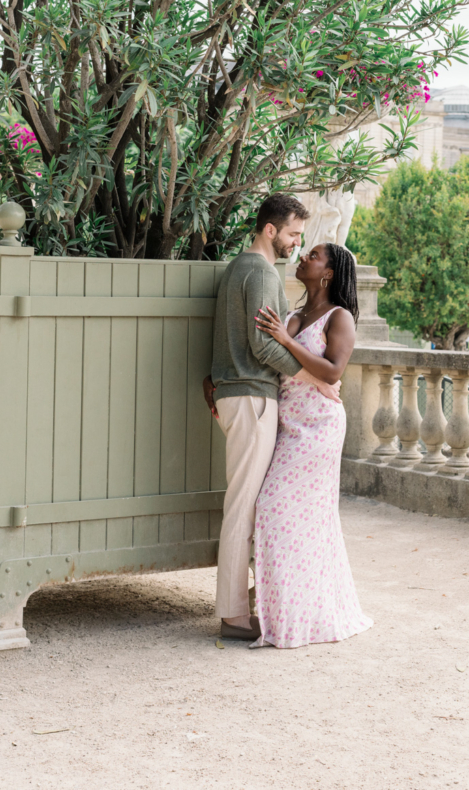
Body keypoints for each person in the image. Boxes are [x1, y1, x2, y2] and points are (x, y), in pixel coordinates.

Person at [248, 242, 372, 649]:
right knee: (299, 523)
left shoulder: (341, 318)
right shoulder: (295, 314)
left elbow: (333, 371)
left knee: (274, 508)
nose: (304, 257)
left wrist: (286, 339)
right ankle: (293, 611)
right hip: (286, 424)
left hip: (318, 428)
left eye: (314, 255)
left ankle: (291, 616)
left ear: (329, 273)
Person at [203, 194, 308, 642]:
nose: (296, 244)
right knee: (242, 509)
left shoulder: (236, 269)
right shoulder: (262, 273)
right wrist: (312, 376)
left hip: (236, 395)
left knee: (249, 506)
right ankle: (232, 615)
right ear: (270, 230)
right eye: (292, 234)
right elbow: (263, 346)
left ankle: (248, 601)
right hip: (251, 398)